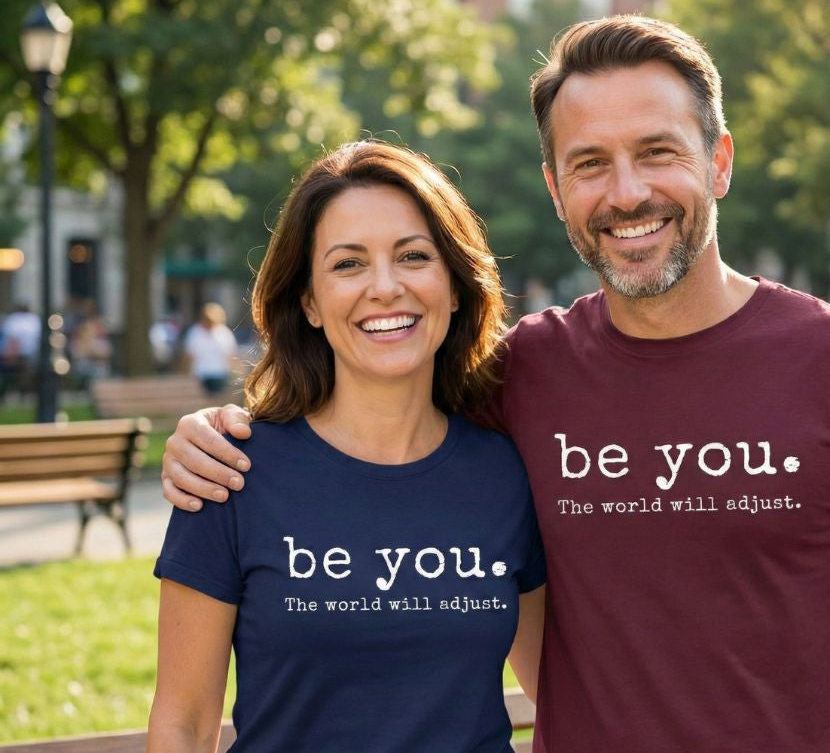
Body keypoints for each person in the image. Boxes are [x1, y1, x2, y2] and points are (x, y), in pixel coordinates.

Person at [160, 16, 830, 752]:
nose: (627, 193)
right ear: (556, 191)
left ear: (719, 161)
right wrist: (213, 434)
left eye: (658, 151)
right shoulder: (520, 375)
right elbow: (373, 406)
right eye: (590, 164)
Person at [147, 141, 546, 752]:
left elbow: (560, 689)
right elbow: (184, 724)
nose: (385, 288)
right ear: (308, 300)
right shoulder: (229, 471)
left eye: (414, 256)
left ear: (457, 284)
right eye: (348, 264)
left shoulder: (506, 471)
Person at [182, 302, 239, 394]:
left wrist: (234, 373)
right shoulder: (195, 332)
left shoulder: (224, 333)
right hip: (201, 374)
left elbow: (230, 355)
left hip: (220, 373)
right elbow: (189, 355)